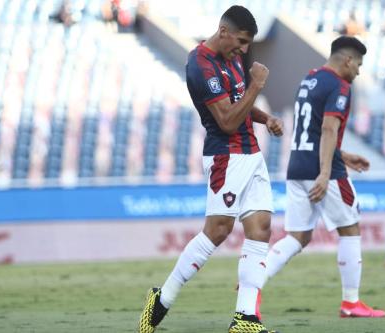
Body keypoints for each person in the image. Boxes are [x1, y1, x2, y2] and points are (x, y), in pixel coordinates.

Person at [138, 5, 283, 333]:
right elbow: (228, 121)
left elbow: (238, 102)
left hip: (251, 153)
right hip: (226, 156)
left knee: (260, 228)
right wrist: (257, 85)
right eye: (241, 41)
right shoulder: (200, 64)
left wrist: (266, 118)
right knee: (218, 230)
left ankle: (244, 318)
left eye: (247, 44)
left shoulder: (231, 57)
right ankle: (162, 298)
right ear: (223, 31)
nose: (244, 50)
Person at [265, 36, 385, 318]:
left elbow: (312, 132)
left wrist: (343, 155)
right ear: (347, 60)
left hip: (296, 166)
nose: (358, 71)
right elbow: (329, 129)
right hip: (323, 171)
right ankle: (351, 302)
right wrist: (327, 171)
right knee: (350, 228)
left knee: (296, 237)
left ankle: (253, 281)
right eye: (358, 64)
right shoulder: (340, 86)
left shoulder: (308, 80)